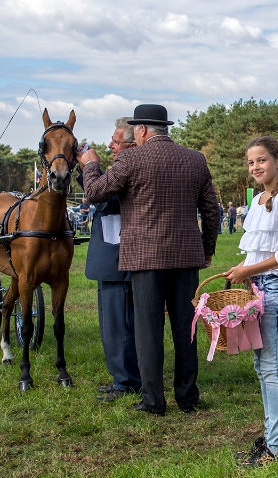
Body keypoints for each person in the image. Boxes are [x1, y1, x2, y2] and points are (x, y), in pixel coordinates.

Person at [80, 104, 221, 416]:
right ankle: (187, 396)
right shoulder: (195, 159)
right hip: (186, 258)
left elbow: (94, 192)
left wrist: (90, 164)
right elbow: (212, 210)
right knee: (186, 329)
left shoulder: (130, 159)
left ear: (141, 130)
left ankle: (154, 400)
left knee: (148, 330)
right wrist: (207, 249)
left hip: (145, 259)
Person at [226, 136, 278, 467]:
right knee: (261, 366)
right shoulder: (258, 200)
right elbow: (258, 250)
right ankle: (271, 438)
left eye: (262, 160)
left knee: (271, 368)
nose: (255, 167)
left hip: (275, 288)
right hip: (257, 289)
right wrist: (243, 270)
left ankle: (277, 449)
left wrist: (249, 270)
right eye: (251, 162)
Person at [86, 117, 141, 403]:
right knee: (119, 324)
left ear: (132, 145)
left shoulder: (128, 168)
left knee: (118, 325)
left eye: (116, 141)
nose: (110, 145)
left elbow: (101, 199)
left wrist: (90, 166)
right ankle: (124, 376)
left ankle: (126, 380)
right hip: (117, 255)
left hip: (118, 258)